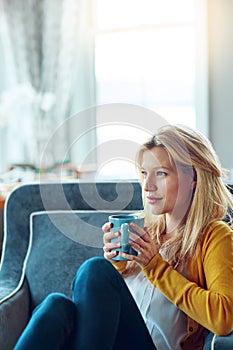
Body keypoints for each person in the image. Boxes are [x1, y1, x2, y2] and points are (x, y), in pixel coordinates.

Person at [14, 124, 233, 350]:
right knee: (55, 306)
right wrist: (118, 266)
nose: (147, 186)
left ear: (193, 178)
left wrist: (155, 266)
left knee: (95, 270)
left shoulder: (214, 236)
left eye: (161, 173)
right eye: (145, 174)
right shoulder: (144, 230)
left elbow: (223, 319)